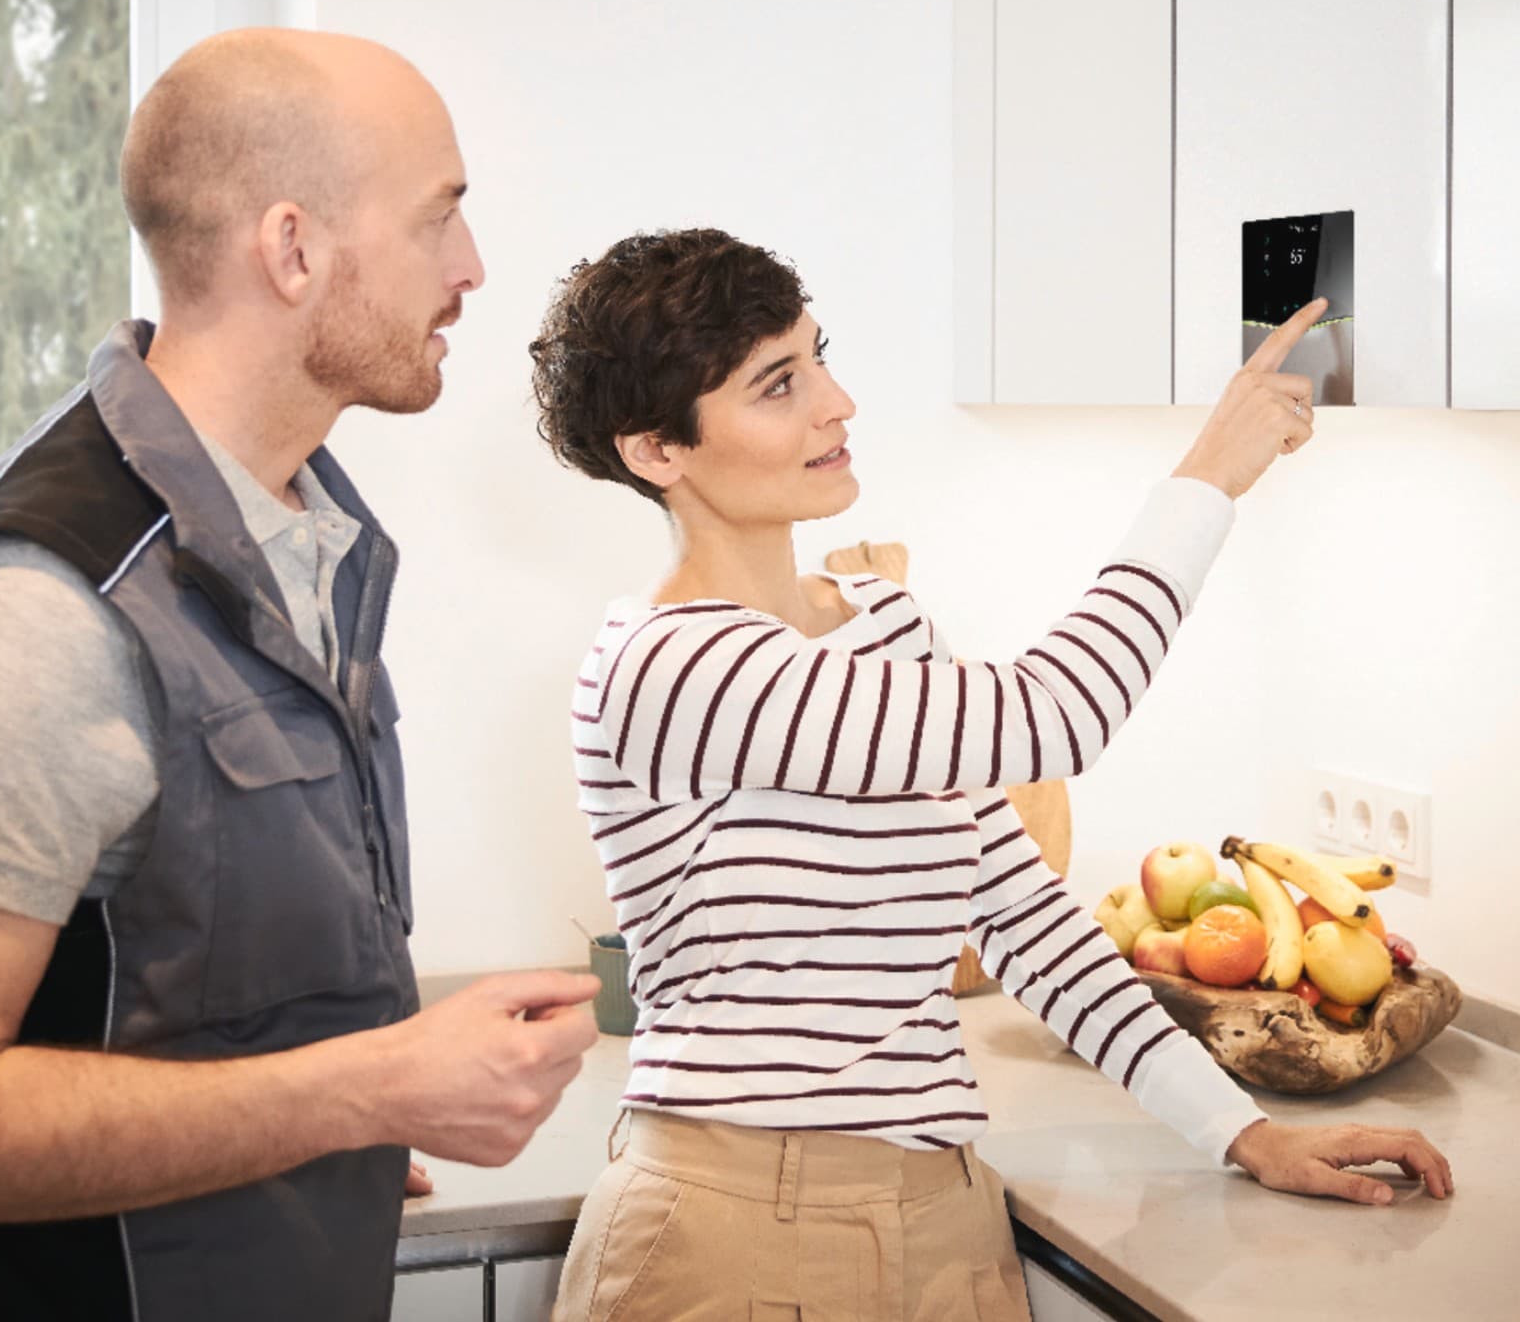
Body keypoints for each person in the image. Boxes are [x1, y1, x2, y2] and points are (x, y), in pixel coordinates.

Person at [528, 227, 1454, 1322]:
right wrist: (1207, 479)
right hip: (736, 1229)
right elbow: (1058, 712)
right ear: (656, 451)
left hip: (944, 1221)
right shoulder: (670, 665)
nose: (838, 402)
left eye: (818, 354)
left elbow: (1020, 913)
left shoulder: (882, 625)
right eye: (780, 384)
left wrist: (1239, 1129)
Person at [0, 29, 600, 1322]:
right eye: (439, 218)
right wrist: (369, 1090)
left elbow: (196, 990)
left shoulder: (299, 546)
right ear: (292, 249)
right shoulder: (39, 608)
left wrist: (306, 1135)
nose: (470, 270)